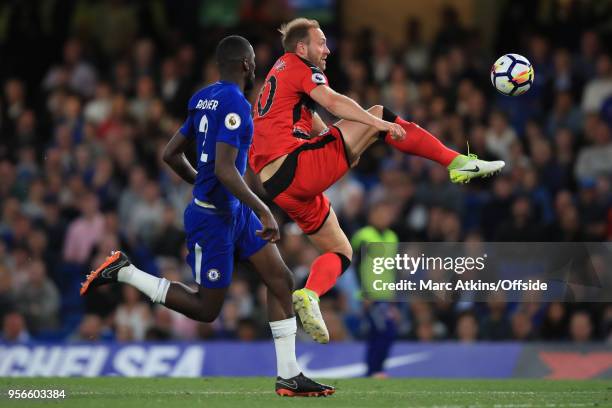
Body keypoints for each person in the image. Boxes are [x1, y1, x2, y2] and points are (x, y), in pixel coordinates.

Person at [80, 35, 333, 397]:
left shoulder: (202, 98)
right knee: (206, 309)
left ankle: (289, 374)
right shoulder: (236, 104)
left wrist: (206, 183)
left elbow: (171, 154)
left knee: (281, 279)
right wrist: (264, 210)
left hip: (235, 211)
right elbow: (227, 171)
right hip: (213, 220)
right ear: (246, 65)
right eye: (253, 61)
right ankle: (125, 271)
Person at [249, 18, 505, 343]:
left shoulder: (279, 74)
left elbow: (309, 118)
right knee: (381, 113)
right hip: (296, 166)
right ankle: (456, 162)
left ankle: (310, 294)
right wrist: (374, 125)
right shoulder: (301, 67)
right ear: (302, 48)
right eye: (321, 42)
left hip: (279, 186)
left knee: (341, 250)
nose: (327, 49)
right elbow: (332, 101)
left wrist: (341, 140)